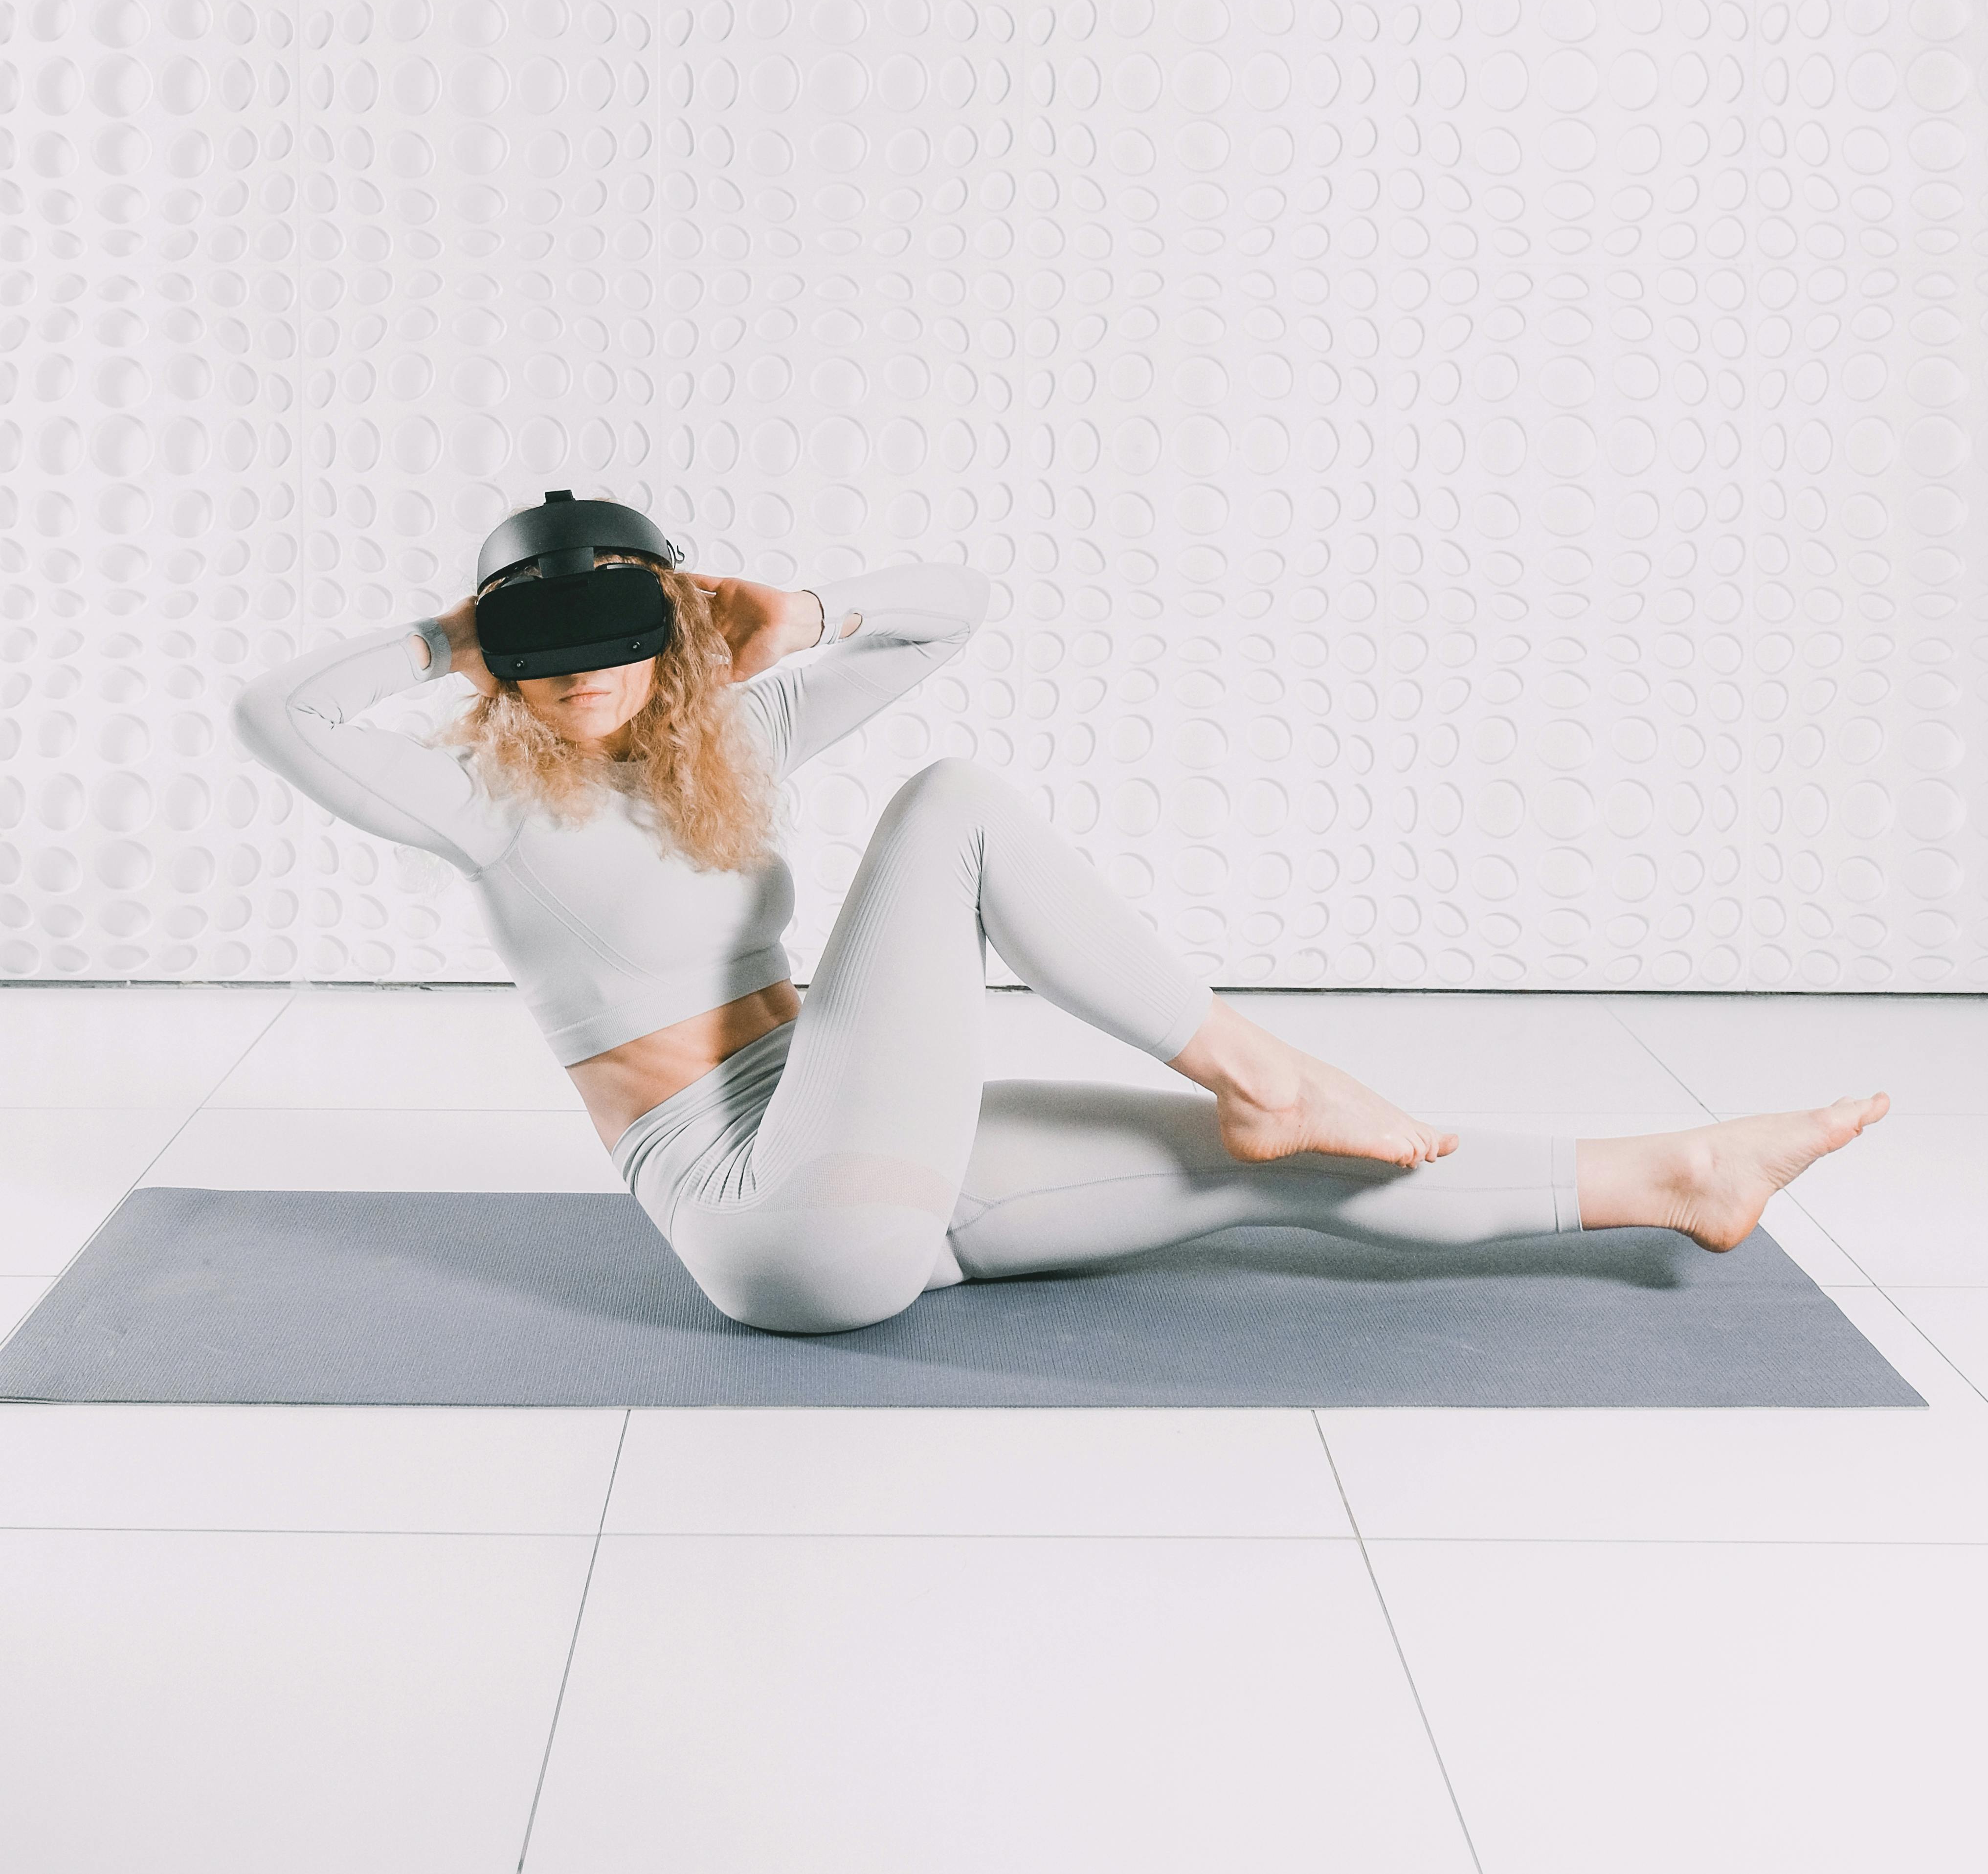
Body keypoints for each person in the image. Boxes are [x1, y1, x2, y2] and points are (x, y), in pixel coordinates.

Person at [235, 555, 1888, 1338]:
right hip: (758, 1214)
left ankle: (1674, 1176)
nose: (581, 671)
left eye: (610, 637)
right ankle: (1258, 1061)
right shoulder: (472, 793)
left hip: (856, 1145)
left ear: (662, 634)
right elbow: (274, 710)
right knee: (954, 804)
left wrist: (782, 618)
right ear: (503, 669)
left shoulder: (729, 743)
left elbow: (953, 602)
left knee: (1254, 1171)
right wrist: (471, 622)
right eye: (545, 649)